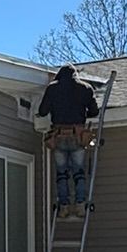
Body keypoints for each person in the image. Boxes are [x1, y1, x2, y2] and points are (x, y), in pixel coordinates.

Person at [36, 64, 101, 213]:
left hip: (58, 136)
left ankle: (64, 206)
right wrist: (81, 114)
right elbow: (94, 111)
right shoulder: (85, 88)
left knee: (61, 173)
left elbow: (42, 111)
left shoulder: (52, 88)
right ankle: (80, 204)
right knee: (78, 172)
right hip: (78, 136)